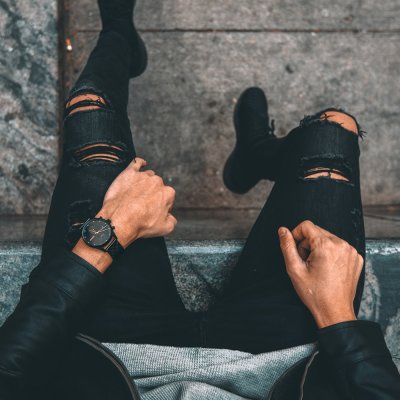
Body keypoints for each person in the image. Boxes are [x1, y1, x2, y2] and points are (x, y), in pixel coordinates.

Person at [0, 1, 399, 399]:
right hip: (282, 363)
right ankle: (256, 155)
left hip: (111, 359)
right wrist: (338, 318)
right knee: (333, 132)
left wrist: (105, 235)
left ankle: (118, 34)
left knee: (89, 110)